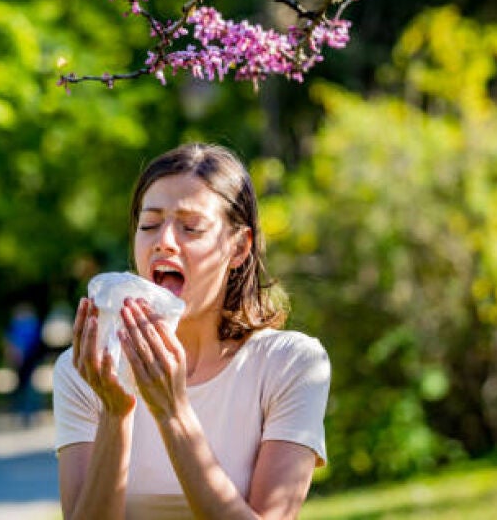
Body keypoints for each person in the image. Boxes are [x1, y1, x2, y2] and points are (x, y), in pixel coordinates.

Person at [53, 143, 331, 519]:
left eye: (191, 227)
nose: (163, 241)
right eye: (149, 225)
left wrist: (172, 411)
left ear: (239, 248)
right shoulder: (84, 371)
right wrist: (115, 413)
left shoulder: (290, 364)